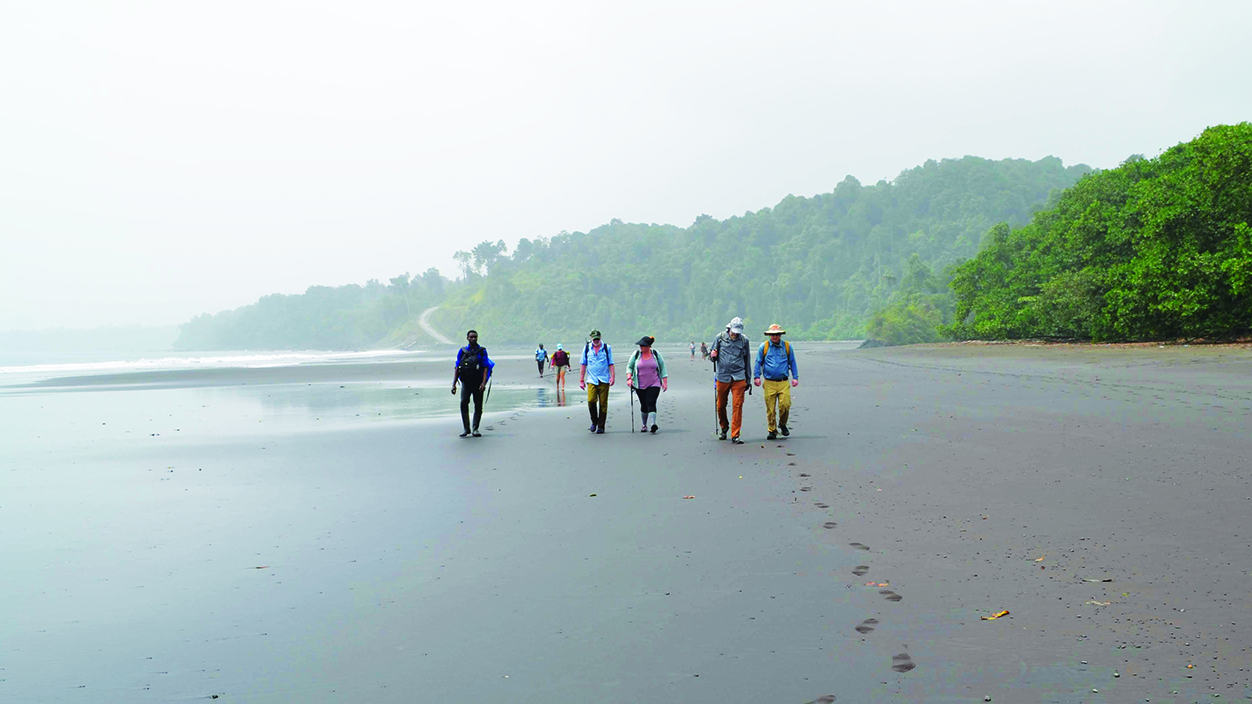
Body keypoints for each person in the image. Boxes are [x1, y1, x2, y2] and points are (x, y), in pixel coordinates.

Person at [709, 316, 752, 444]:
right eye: (733, 332)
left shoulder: (744, 340)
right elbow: (712, 355)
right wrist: (712, 355)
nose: (735, 334)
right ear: (729, 328)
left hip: (739, 376)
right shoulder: (720, 338)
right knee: (720, 405)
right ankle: (724, 427)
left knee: (737, 405)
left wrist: (748, 380)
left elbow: (747, 360)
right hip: (723, 376)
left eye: (737, 332)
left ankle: (735, 434)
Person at [753, 324, 799, 440]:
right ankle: (772, 430)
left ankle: (782, 424)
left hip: (783, 382)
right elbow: (758, 362)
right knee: (770, 408)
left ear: (780, 335)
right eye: (772, 334)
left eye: (777, 334)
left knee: (785, 405)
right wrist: (756, 377)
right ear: (769, 335)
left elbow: (792, 362)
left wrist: (795, 377)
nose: (775, 336)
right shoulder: (764, 347)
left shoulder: (787, 347)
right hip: (769, 382)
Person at [451, 329, 495, 437]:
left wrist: (484, 383)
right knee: (463, 404)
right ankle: (466, 428)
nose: (473, 338)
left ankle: (475, 429)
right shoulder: (462, 351)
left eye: (475, 337)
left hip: (478, 383)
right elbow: (457, 367)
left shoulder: (482, 351)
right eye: (471, 337)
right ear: (467, 338)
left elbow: (485, 367)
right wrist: (454, 384)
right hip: (466, 382)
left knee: (478, 406)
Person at [626, 335, 668, 434]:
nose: (641, 347)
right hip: (639, 384)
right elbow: (630, 367)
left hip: (654, 383)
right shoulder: (636, 355)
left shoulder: (656, 355)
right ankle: (644, 425)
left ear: (649, 346)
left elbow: (662, 368)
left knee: (651, 402)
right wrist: (629, 378)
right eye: (640, 345)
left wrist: (664, 382)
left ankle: (653, 424)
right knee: (644, 405)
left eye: (643, 345)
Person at [579, 329, 615, 434]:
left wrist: (612, 377)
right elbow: (583, 364)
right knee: (591, 401)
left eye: (597, 338)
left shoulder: (606, 348)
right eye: (594, 339)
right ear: (591, 338)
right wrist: (581, 380)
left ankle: (601, 426)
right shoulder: (586, 349)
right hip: (591, 379)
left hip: (604, 379)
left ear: (600, 338)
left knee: (603, 403)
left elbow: (611, 363)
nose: (596, 340)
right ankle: (594, 422)